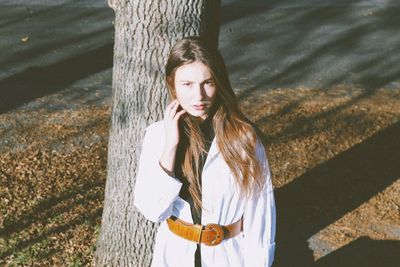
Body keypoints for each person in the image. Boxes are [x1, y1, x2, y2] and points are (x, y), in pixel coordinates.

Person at [134, 36, 276, 267]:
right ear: (172, 84)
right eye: (187, 84)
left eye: (207, 83)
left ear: (219, 83)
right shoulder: (157, 135)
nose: (199, 96)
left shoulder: (243, 137)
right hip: (176, 255)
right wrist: (171, 145)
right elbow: (152, 211)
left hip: (229, 256)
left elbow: (261, 211)